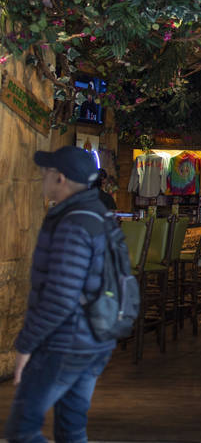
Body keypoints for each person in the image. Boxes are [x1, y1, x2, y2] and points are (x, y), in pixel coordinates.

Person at [6, 146, 116, 443]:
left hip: (67, 341)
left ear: (61, 179)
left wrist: (26, 346)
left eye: (46, 173)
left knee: (22, 430)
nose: (41, 179)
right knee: (71, 429)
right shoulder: (99, 214)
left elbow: (60, 297)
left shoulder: (73, 223)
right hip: (95, 337)